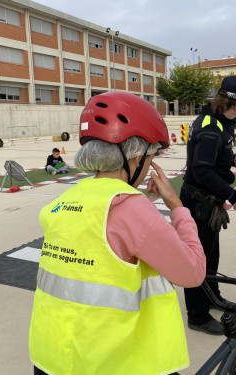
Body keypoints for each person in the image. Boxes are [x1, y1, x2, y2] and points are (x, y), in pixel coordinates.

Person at [29, 92, 206, 375]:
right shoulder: (131, 209)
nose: (149, 164)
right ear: (136, 155)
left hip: (52, 356)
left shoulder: (63, 202)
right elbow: (193, 273)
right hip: (111, 361)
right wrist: (177, 207)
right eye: (152, 155)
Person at [180, 75, 236, 336]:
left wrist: (230, 158)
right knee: (197, 261)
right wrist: (233, 196)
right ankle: (197, 315)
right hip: (199, 201)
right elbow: (201, 170)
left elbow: (210, 157)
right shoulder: (210, 128)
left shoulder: (217, 121)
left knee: (211, 255)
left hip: (207, 201)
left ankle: (211, 297)